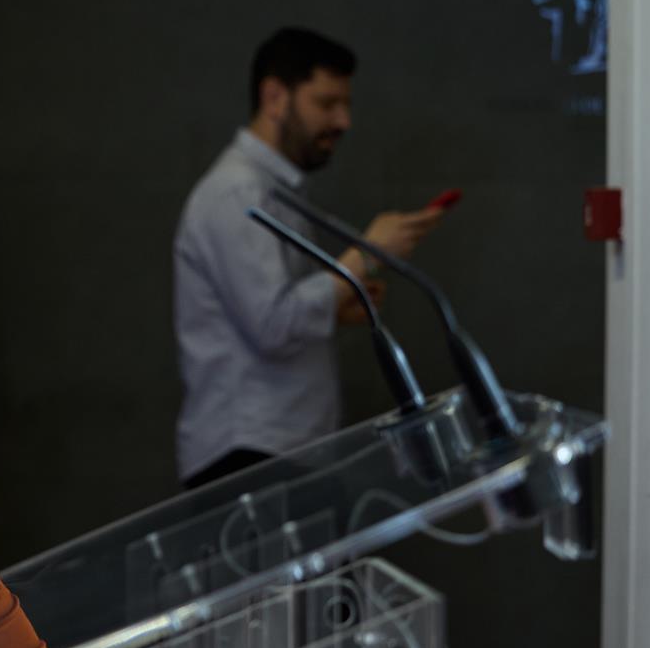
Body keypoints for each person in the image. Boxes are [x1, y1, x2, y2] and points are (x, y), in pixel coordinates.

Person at [173, 27, 447, 490]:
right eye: (326, 103)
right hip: (246, 456)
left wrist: (334, 307)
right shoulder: (237, 192)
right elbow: (273, 325)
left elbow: (270, 315)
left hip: (278, 450)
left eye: (346, 104)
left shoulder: (269, 188)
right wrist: (365, 256)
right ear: (274, 97)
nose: (343, 121)